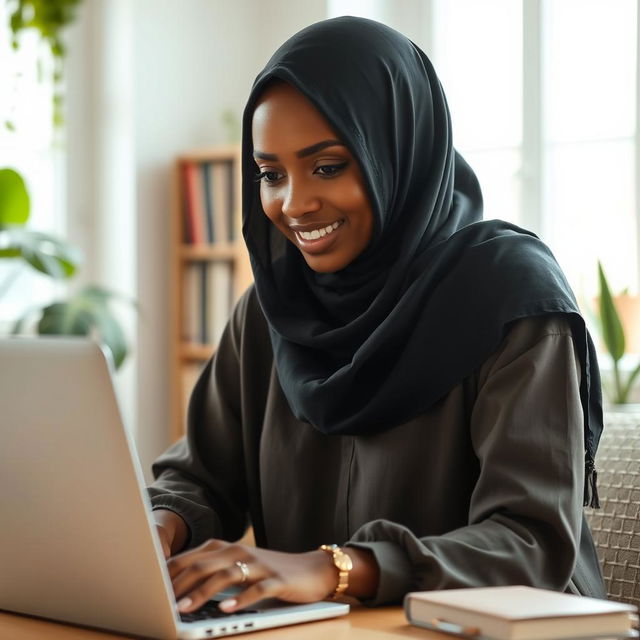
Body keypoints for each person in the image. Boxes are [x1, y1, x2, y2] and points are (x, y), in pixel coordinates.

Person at [148, 16, 606, 615]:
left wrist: (338, 569)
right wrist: (157, 529)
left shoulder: (512, 301)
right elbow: (200, 478)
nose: (293, 204)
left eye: (329, 166)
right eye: (270, 174)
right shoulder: (268, 314)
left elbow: (528, 544)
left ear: (398, 150)